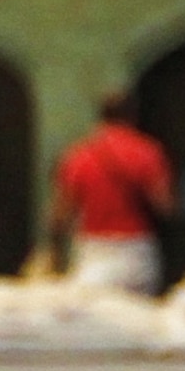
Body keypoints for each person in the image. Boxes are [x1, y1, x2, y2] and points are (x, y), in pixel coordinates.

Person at [49, 88, 173, 295]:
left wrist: (54, 252)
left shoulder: (78, 156)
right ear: (133, 114)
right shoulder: (148, 152)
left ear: (101, 115)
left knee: (97, 316)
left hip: (94, 248)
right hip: (137, 246)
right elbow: (165, 206)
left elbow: (61, 213)